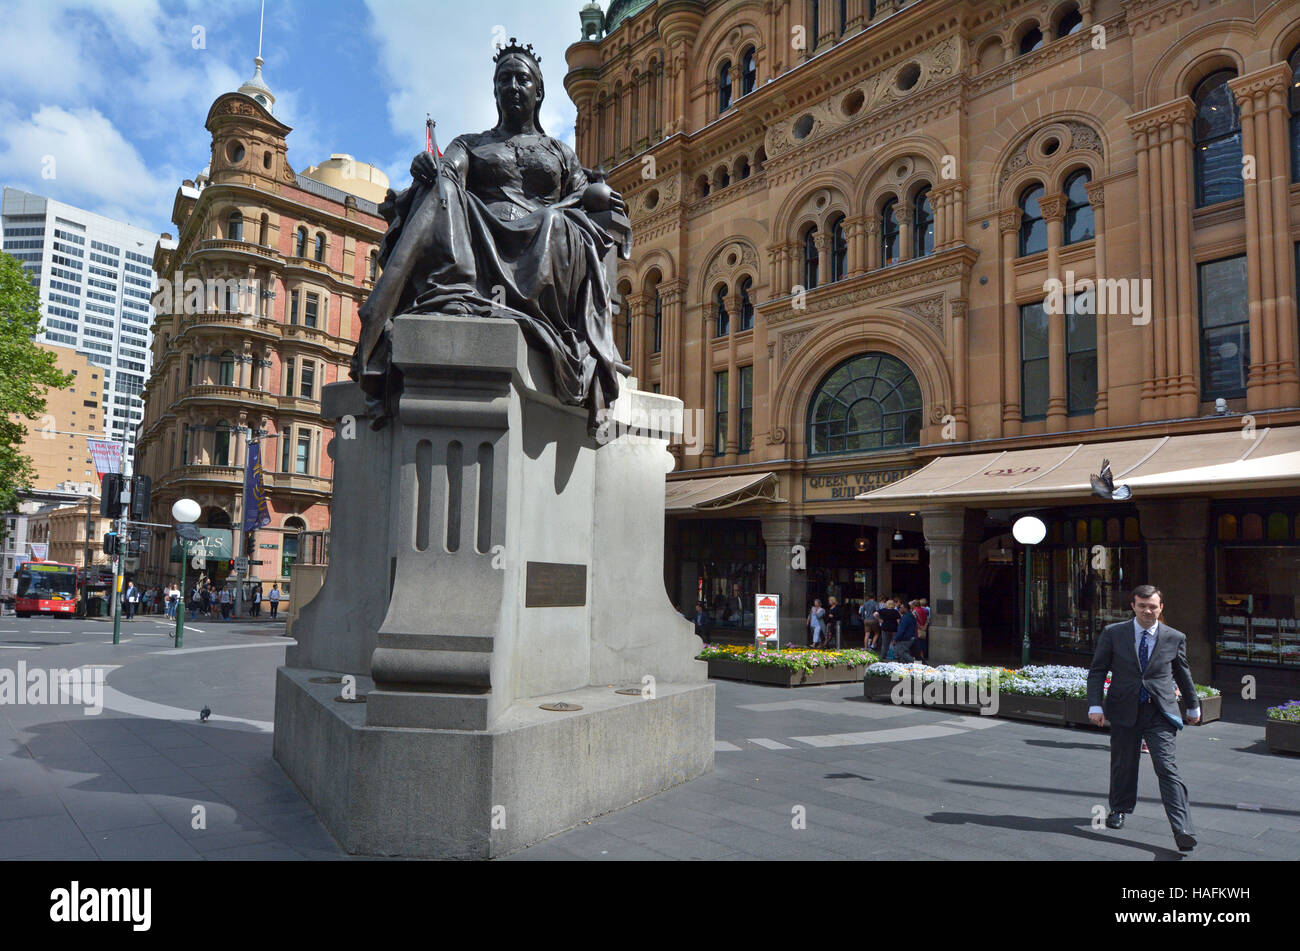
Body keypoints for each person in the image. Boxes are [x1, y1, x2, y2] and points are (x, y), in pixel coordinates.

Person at [352, 40, 628, 431]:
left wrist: (603, 199)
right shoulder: (470, 143)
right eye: (503, 80)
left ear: (539, 91)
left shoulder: (560, 152)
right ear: (494, 90)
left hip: (546, 241)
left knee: (554, 221)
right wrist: (428, 169)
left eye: (521, 79)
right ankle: (390, 310)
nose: (512, 86)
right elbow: (449, 170)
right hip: (478, 238)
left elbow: (584, 196)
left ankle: (416, 309)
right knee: (442, 188)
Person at [1087, 584, 1200, 851]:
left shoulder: (1174, 637)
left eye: (1153, 606)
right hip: (1124, 708)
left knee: (1167, 768)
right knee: (1124, 763)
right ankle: (1119, 808)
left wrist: (1193, 705)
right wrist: (1095, 705)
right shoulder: (1114, 633)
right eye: (1142, 605)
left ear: (1161, 608)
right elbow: (1098, 670)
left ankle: (1182, 828)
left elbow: (1183, 673)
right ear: (1133, 606)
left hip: (1159, 711)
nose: (1147, 610)